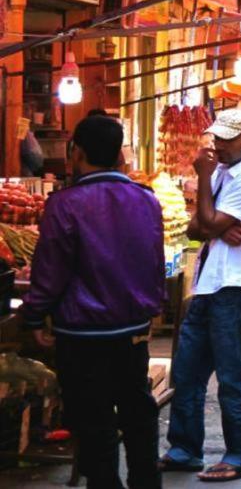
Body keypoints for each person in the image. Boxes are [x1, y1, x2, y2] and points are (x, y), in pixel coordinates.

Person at [21, 115, 165, 489]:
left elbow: (50, 271)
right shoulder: (146, 200)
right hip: (131, 329)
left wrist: (34, 319)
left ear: (77, 152)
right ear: (119, 156)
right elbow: (154, 261)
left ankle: (105, 484)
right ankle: (146, 481)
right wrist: (153, 308)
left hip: (81, 332)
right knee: (137, 409)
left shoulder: (65, 204)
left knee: (93, 416)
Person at [162, 108, 241, 481]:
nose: (219, 146)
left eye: (228, 139)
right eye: (217, 138)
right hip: (210, 283)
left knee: (232, 376)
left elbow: (208, 222)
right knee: (187, 373)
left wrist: (209, 203)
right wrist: (218, 226)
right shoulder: (224, 174)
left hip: (235, 286)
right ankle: (184, 448)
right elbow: (197, 228)